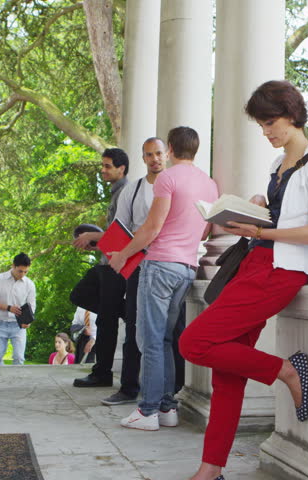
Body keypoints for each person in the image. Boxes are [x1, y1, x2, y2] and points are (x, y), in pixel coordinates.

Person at [177, 80, 308, 480]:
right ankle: (209, 471)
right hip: (253, 264)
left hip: (282, 271)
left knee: (194, 342)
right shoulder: (275, 165)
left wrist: (264, 233)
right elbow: (283, 213)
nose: (266, 132)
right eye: (262, 126)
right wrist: (259, 207)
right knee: (226, 375)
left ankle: (283, 370)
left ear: (293, 114)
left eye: (270, 123)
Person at [108, 126, 218, 432]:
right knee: (167, 339)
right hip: (187, 267)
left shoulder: (168, 178)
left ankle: (147, 411)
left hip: (159, 265)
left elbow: (151, 228)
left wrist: (121, 255)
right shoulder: (209, 184)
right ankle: (168, 407)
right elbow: (206, 230)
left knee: (150, 340)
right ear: (195, 149)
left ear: (169, 149)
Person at [102, 137, 187, 406]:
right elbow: (119, 228)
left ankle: (173, 392)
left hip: (172, 264)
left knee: (174, 331)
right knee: (135, 328)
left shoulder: (177, 186)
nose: (155, 159)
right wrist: (123, 258)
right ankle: (129, 387)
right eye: (149, 155)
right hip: (139, 266)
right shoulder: (134, 190)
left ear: (168, 154)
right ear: (143, 158)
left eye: (159, 153)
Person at [72, 148, 130, 387]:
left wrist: (91, 234)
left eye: (107, 166)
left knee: (105, 321)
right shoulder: (117, 192)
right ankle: (125, 311)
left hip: (116, 267)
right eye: (103, 165)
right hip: (107, 261)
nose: (103, 170)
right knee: (80, 294)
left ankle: (102, 373)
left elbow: (125, 232)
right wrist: (98, 245)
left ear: (121, 169)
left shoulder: (125, 192)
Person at [0, 253, 36, 365]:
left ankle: (16, 381)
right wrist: (9, 308)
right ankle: (0, 381)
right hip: (0, 324)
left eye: (26, 272)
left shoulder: (30, 285)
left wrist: (28, 322)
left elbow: (32, 306)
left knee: (19, 359)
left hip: (18, 326)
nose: (22, 274)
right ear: (13, 266)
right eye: (20, 271)